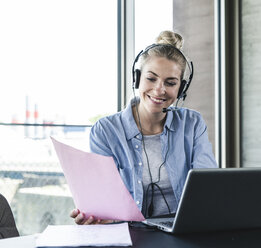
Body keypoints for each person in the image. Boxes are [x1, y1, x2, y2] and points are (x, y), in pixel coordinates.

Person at [70, 30, 218, 224]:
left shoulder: (192, 123)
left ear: (181, 89)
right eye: (151, 78)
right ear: (137, 78)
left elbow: (208, 187)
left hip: (183, 230)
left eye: (170, 82)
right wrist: (98, 217)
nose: (159, 89)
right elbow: (105, 199)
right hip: (129, 233)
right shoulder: (105, 131)